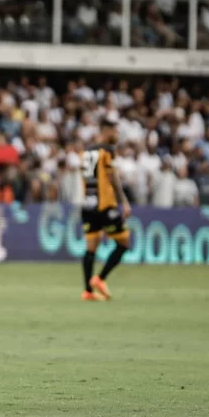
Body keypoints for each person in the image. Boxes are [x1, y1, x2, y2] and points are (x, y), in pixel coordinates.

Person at [79, 118, 132, 301]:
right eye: (115, 131)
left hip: (87, 205)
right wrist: (123, 202)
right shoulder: (107, 151)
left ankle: (87, 291)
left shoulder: (86, 151)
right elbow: (113, 177)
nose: (116, 135)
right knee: (124, 242)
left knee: (91, 248)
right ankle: (100, 279)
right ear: (106, 130)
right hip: (104, 206)